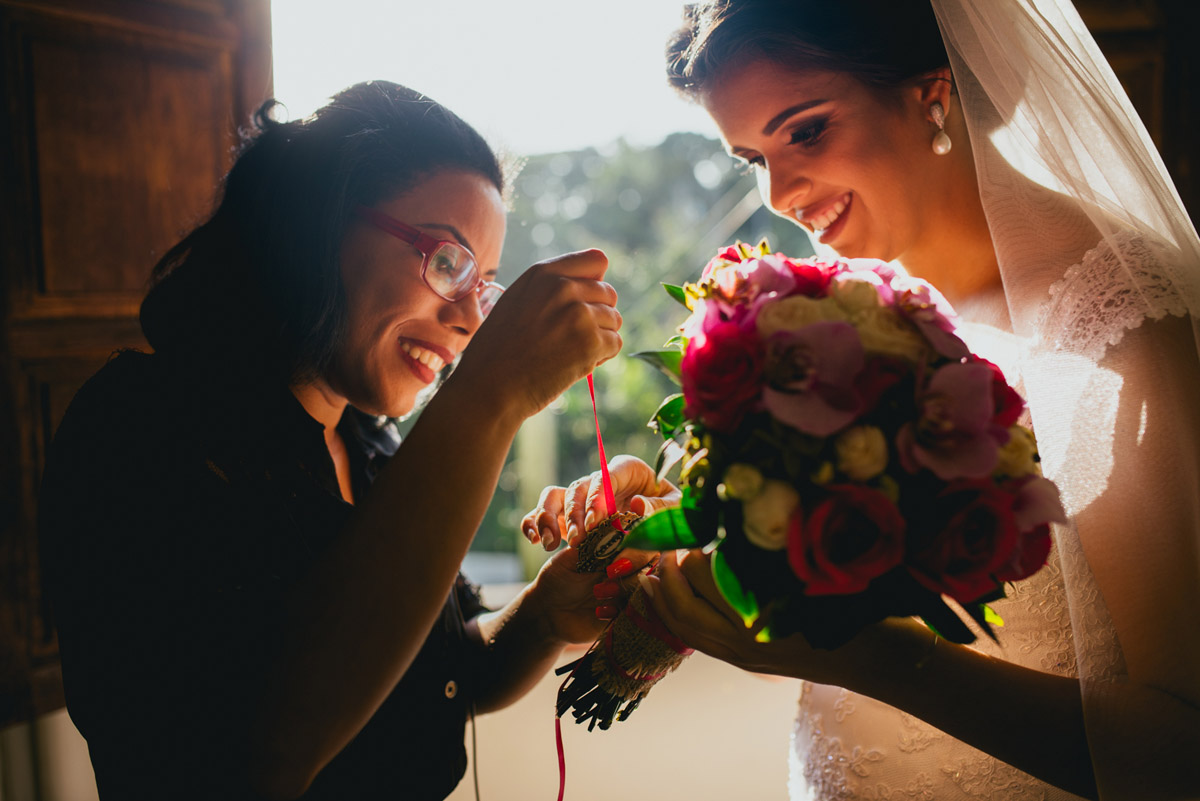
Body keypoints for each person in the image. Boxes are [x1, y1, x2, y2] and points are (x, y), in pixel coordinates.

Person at [528, 1, 1200, 798]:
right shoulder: (843, 314)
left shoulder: (1116, 321)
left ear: (932, 94)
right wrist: (698, 529)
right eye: (752, 157)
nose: (779, 192)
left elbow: (1179, 747)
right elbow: (829, 628)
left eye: (806, 130)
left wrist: (869, 655)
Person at [38, 80, 631, 800]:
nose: (470, 321)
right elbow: (251, 759)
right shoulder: (137, 428)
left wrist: (545, 612)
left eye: (484, 288)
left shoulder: (374, 448)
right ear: (318, 222)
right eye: (447, 261)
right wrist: (489, 397)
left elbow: (447, 671)